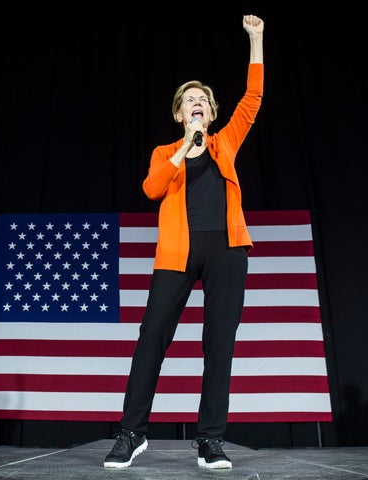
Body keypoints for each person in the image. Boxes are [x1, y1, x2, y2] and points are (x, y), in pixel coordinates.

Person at [103, 14, 264, 470]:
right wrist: (184, 146)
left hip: (226, 251)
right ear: (180, 113)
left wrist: (256, 40)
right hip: (177, 253)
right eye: (189, 101)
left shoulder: (226, 143)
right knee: (152, 336)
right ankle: (131, 434)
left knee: (219, 343)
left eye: (204, 101)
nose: (197, 104)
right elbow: (152, 188)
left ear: (212, 114)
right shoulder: (164, 154)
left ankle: (210, 440)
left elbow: (252, 98)